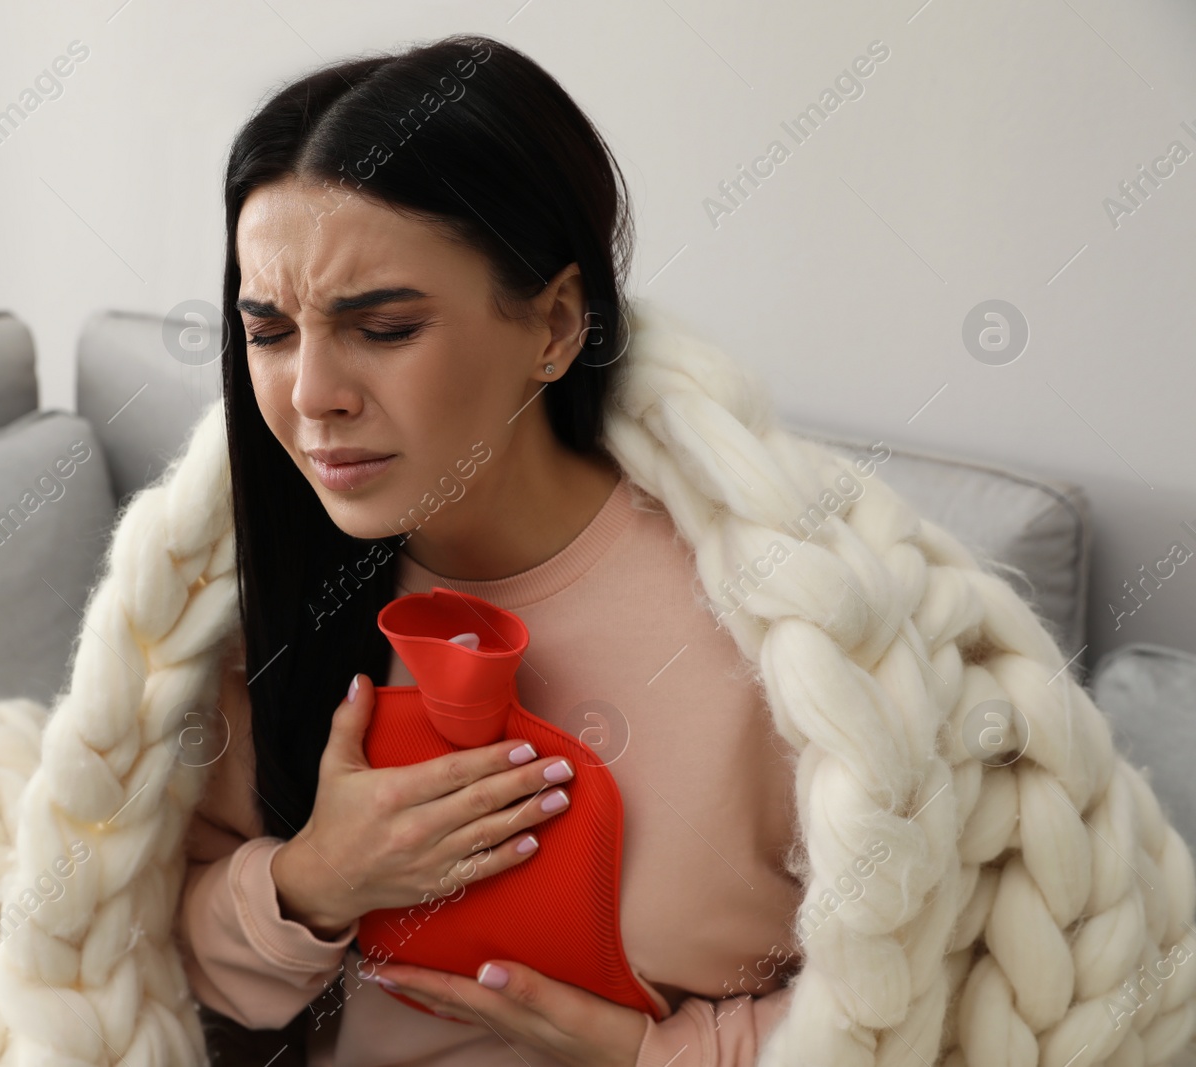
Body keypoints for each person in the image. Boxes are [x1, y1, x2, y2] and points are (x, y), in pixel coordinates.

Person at [174, 33, 803, 1067]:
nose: (309, 395)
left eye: (381, 328)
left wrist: (663, 1053)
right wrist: (315, 879)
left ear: (554, 323)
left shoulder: (773, 625)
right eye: (269, 331)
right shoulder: (249, 601)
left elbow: (939, 985)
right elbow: (151, 954)